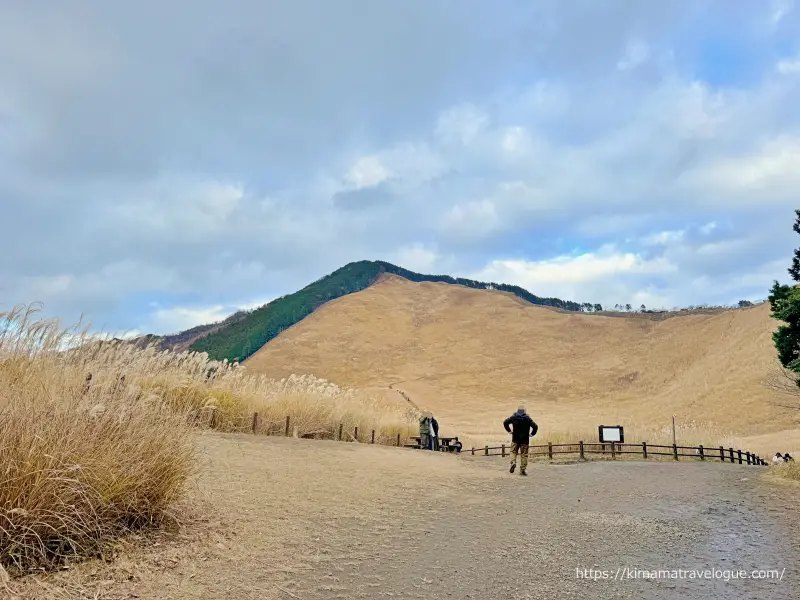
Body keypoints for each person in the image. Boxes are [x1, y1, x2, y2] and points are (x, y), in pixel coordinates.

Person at [503, 405, 538, 476]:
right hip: (525, 440)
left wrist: (509, 431)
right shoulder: (527, 419)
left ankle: (513, 462)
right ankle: (522, 470)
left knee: (513, 452)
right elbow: (535, 426)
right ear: (524, 411)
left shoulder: (514, 417)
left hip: (515, 439)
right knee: (524, 455)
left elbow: (505, 422)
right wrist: (532, 434)